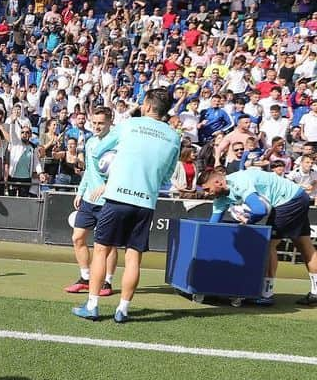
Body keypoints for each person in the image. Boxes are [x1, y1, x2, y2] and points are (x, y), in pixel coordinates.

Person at [73, 88, 180, 323]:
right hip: (145, 202)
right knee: (133, 257)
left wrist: (105, 178)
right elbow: (167, 176)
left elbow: (98, 151)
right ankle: (123, 310)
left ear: (149, 106)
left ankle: (92, 305)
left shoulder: (129, 125)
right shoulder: (174, 137)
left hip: (117, 197)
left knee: (101, 250)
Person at [199, 167, 317, 306]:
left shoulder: (240, 182)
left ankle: (266, 294)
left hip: (288, 201)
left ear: (218, 182)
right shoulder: (220, 200)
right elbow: (213, 226)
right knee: (304, 245)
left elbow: (259, 210)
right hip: (298, 196)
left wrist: (248, 221)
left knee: (269, 246)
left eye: (207, 189)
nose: (206, 194)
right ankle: (316, 292)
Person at [65, 107, 118, 296]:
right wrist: (80, 192)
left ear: (110, 122)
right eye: (94, 123)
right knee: (77, 238)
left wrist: (108, 185)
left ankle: (107, 282)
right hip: (88, 200)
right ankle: (86, 278)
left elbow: (121, 171)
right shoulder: (90, 142)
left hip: (109, 201)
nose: (96, 126)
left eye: (100, 123)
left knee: (106, 245)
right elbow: (88, 170)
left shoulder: (118, 142)